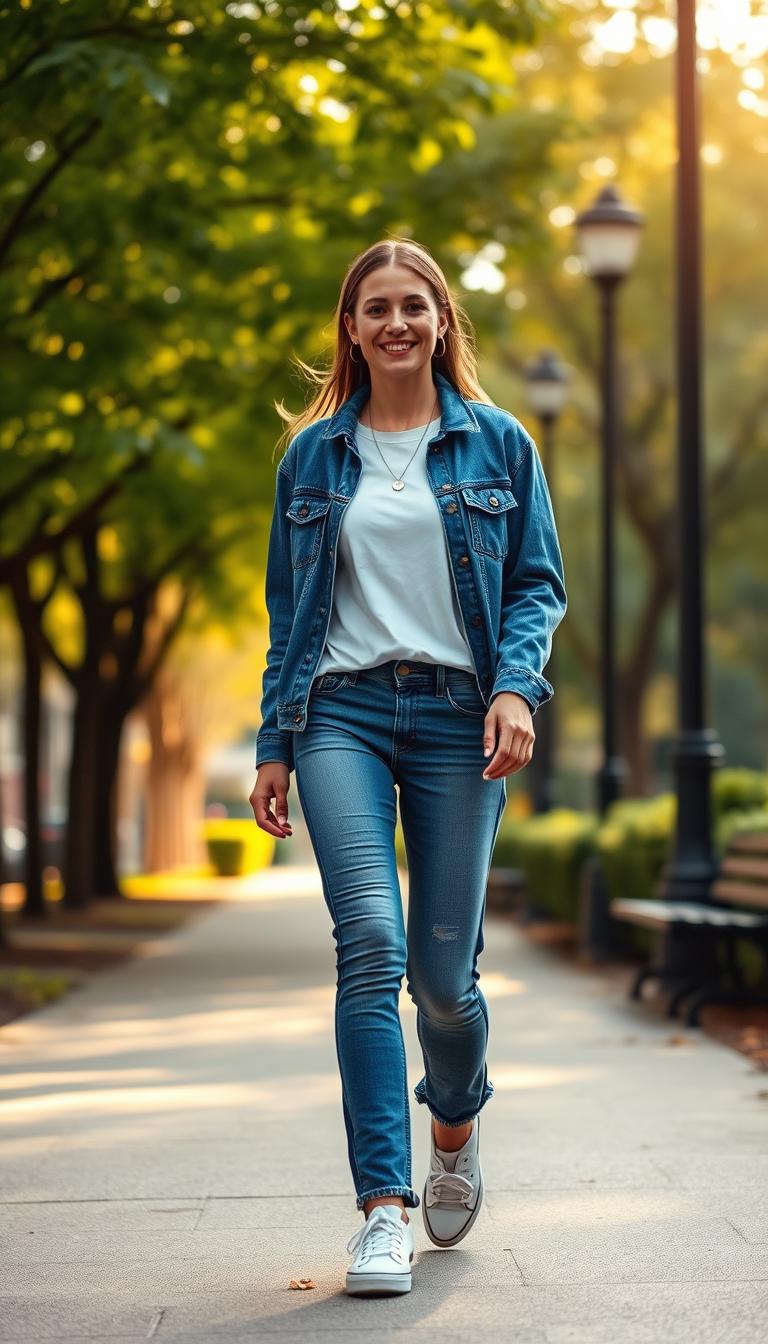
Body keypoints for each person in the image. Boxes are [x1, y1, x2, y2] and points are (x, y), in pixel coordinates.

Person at [251, 236, 567, 1296]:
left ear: (440, 324)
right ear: (351, 327)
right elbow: (289, 615)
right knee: (370, 947)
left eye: (413, 306)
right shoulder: (313, 457)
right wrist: (274, 745)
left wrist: (515, 687)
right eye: (375, 307)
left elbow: (536, 584)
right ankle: (381, 1211)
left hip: (458, 718)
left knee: (443, 980)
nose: (395, 322)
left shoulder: (500, 444)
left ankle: (456, 1125)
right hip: (339, 713)